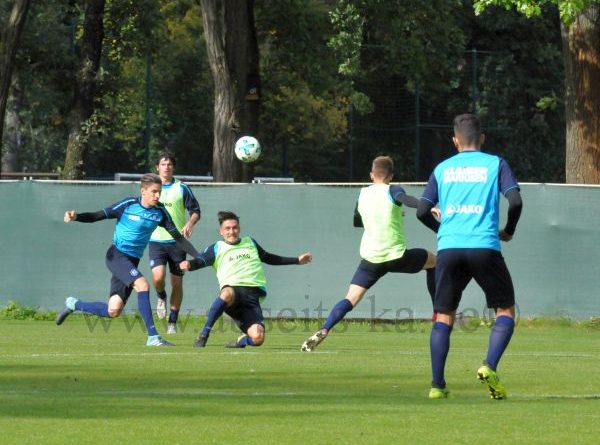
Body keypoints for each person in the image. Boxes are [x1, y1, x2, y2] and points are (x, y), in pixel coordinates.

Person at [416, 113, 523, 400]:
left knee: (444, 315)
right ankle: (489, 366)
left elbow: (422, 211)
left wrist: (443, 230)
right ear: (482, 138)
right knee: (505, 311)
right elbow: (515, 201)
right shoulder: (496, 164)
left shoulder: (442, 169)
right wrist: (509, 231)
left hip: (449, 248)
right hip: (484, 246)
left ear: (455, 141)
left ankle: (437, 386)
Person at [301, 155, 437, 352]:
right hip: (396, 256)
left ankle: (325, 328)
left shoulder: (363, 193)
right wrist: (426, 207)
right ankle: (437, 314)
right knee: (434, 262)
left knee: (351, 298)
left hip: (371, 258)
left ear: (372, 174)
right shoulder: (393, 189)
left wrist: (382, 215)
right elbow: (406, 200)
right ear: (391, 175)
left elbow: (357, 221)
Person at [56, 173, 201, 347]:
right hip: (116, 255)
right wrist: (76, 216)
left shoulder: (160, 212)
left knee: (113, 310)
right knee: (143, 285)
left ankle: (74, 304)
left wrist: (199, 258)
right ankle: (153, 337)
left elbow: (178, 238)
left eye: (159, 192)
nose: (157, 195)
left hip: (132, 261)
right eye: (154, 192)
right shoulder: (128, 204)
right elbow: (98, 215)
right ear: (143, 191)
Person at [180, 211, 312, 348]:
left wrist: (297, 260)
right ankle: (204, 335)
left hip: (252, 298)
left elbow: (268, 257)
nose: (232, 231)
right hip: (232, 294)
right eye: (227, 228)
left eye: (235, 228)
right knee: (227, 293)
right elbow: (201, 261)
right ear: (221, 231)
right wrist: (189, 264)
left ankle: (241, 341)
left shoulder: (250, 242)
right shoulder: (217, 247)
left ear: (239, 229)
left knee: (258, 338)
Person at [149, 153, 201, 334]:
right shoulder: (151, 187)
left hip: (177, 243)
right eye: (163, 164)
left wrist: (190, 223)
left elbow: (196, 211)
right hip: (156, 241)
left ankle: (172, 322)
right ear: (157, 167)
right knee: (158, 278)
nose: (166, 167)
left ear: (174, 167)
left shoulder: (182, 187)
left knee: (176, 283)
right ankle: (161, 296)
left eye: (170, 164)